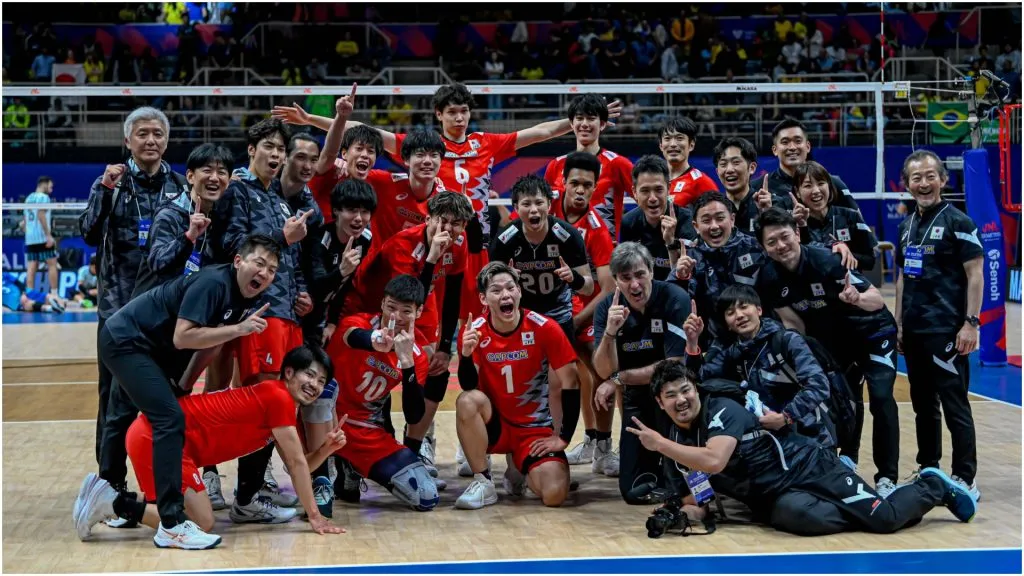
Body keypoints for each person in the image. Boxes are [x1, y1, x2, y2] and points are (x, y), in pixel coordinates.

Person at [627, 360, 977, 536]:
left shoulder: (720, 409)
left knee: (883, 520)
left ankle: (931, 485)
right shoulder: (678, 439)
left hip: (810, 466)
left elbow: (715, 461)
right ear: (660, 402)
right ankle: (862, 511)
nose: (681, 399)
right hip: (776, 495)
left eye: (685, 390)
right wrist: (677, 517)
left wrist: (659, 445)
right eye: (671, 395)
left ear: (695, 390)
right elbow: (701, 496)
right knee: (797, 519)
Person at [93, 234, 280, 548]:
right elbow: (184, 337)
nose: (265, 273)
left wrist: (183, 386)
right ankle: (171, 524)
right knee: (166, 420)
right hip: (127, 341)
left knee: (168, 414)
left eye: (272, 270)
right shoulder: (213, 284)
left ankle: (111, 499)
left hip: (150, 350)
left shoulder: (242, 298)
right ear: (238, 261)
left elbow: (210, 344)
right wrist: (240, 329)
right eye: (259, 263)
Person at [73, 345, 347, 549]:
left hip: (157, 436)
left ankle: (103, 495)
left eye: (321, 381)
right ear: (289, 373)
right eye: (309, 375)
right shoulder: (279, 398)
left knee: (181, 509)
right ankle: (113, 503)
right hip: (158, 438)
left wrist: (325, 449)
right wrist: (315, 516)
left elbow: (294, 467)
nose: (315, 385)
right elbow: (298, 466)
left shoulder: (279, 402)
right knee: (201, 522)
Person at [215, 121, 323, 510]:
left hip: (288, 315)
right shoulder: (238, 192)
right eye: (269, 147)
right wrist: (281, 236)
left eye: (280, 148)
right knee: (264, 401)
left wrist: (302, 292)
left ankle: (258, 488)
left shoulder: (279, 200)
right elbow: (231, 246)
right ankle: (246, 496)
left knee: (283, 402)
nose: (276, 155)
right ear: (251, 150)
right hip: (260, 313)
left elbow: (290, 258)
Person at [757, 207, 900, 495]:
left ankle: (887, 477)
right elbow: (793, 323)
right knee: (843, 400)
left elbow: (876, 301)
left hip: (873, 334)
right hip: (837, 340)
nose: (780, 246)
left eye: (784, 237)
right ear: (764, 246)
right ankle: (848, 459)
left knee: (882, 398)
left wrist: (856, 297)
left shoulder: (827, 260)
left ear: (797, 233)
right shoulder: (769, 277)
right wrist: (809, 357)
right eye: (771, 242)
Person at [79, 107, 186, 468]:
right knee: (112, 398)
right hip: (118, 309)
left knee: (167, 396)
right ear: (128, 140)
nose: (150, 140)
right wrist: (105, 190)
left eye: (157, 133)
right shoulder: (112, 182)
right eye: (142, 133)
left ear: (167, 140)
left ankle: (164, 482)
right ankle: (108, 483)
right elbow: (89, 233)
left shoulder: (182, 187)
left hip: (164, 313)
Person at [346, 191, 473, 482]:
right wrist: (430, 259)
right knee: (384, 369)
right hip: (373, 308)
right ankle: (368, 442)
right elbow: (409, 298)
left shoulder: (459, 245)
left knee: (437, 370)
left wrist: (444, 348)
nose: (449, 229)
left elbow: (451, 297)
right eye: (443, 221)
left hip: (418, 310)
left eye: (457, 224)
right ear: (428, 219)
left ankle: (415, 450)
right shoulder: (404, 244)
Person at [454, 262, 579, 509]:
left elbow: (571, 380)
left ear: (520, 291)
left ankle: (518, 469)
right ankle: (483, 481)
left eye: (511, 287)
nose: (506, 295)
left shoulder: (545, 327)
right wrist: (466, 355)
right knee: (467, 401)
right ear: (483, 298)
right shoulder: (474, 331)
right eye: (496, 290)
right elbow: (468, 385)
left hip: (533, 430)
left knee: (554, 495)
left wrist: (563, 437)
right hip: (495, 424)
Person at [895, 149, 983, 500]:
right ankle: (929, 468)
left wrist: (970, 324)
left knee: (954, 404)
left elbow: (975, 274)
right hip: (915, 332)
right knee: (922, 405)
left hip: (947, 330)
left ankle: (966, 478)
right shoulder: (905, 226)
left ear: (943, 180)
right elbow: (902, 277)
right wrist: (899, 323)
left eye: (931, 175)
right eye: (916, 177)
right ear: (907, 184)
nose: (924, 183)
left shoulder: (959, 222)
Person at [324, 275, 441, 511]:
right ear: (382, 304)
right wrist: (374, 340)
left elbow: (414, 415)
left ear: (418, 312)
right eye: (391, 308)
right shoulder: (356, 322)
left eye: (406, 311)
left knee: (426, 497)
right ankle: (327, 471)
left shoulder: (416, 354)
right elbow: (351, 335)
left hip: (368, 431)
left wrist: (406, 361)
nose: (396, 317)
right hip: (327, 421)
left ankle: (352, 466)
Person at [591, 242, 694, 504]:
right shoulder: (606, 309)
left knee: (685, 484)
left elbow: (673, 366)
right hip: (637, 398)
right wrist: (611, 332)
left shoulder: (674, 298)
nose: (634, 285)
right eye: (626, 278)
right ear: (616, 280)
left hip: (677, 397)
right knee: (634, 491)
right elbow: (603, 369)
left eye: (640, 274)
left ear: (651, 271)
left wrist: (619, 379)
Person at [687, 285, 835, 449]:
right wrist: (692, 343)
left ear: (759, 310)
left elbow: (819, 385)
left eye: (744, 307)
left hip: (811, 437)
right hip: (771, 441)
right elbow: (697, 379)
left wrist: (786, 417)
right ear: (727, 324)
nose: (739, 315)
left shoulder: (787, 340)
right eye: (730, 313)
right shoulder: (733, 353)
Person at [549, 152, 619, 475]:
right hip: (544, 308)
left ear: (595, 190)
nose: (580, 190)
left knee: (603, 370)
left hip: (582, 312)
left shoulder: (597, 229)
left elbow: (606, 289)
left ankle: (603, 447)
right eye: (574, 183)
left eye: (587, 186)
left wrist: (575, 322)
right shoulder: (542, 210)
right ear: (562, 182)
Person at [133, 143, 234, 295]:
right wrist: (188, 238)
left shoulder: (220, 217)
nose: (214, 178)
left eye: (221, 172)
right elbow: (158, 262)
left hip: (189, 309)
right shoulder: (169, 214)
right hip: (155, 310)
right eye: (207, 170)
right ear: (190, 176)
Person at [671, 191, 767, 345]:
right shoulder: (690, 259)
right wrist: (681, 279)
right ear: (695, 226)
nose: (714, 226)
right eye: (706, 220)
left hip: (761, 336)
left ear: (732, 219)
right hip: (715, 344)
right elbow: (673, 305)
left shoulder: (756, 249)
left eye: (720, 218)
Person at [542, 93, 633, 237]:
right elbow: (542, 208)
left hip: (605, 253)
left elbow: (646, 200)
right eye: (579, 118)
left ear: (602, 124)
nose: (584, 124)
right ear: (571, 124)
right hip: (562, 250)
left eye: (591, 118)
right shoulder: (556, 165)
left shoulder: (618, 164)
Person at [750, 117, 859, 212]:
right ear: (775, 150)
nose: (792, 147)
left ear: (808, 147)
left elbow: (858, 227)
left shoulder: (834, 184)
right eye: (785, 142)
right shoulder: (757, 188)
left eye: (798, 141)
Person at [619, 155, 697, 282]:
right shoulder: (628, 222)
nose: (653, 198)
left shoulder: (687, 220)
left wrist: (671, 242)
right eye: (645, 191)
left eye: (658, 189)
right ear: (634, 192)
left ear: (669, 188)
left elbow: (691, 275)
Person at [794, 161, 877, 272]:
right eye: (808, 185)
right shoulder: (794, 223)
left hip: (850, 286)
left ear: (829, 185)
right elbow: (800, 263)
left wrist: (843, 254)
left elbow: (870, 262)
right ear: (797, 192)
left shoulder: (851, 216)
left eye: (821, 183)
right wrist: (832, 249)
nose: (816, 191)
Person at [659, 117, 718, 209]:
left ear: (691, 145)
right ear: (661, 145)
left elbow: (718, 216)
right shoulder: (654, 179)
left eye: (679, 138)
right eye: (667, 138)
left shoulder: (701, 182)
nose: (673, 144)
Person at [23, 175, 61, 298]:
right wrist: (48, 236)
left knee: (31, 267)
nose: (51, 189)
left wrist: (28, 232)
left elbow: (24, 221)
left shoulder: (28, 198)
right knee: (52, 264)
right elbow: (40, 214)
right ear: (43, 184)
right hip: (42, 238)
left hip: (30, 239)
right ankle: (54, 295)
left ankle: (29, 295)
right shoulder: (44, 197)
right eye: (50, 186)